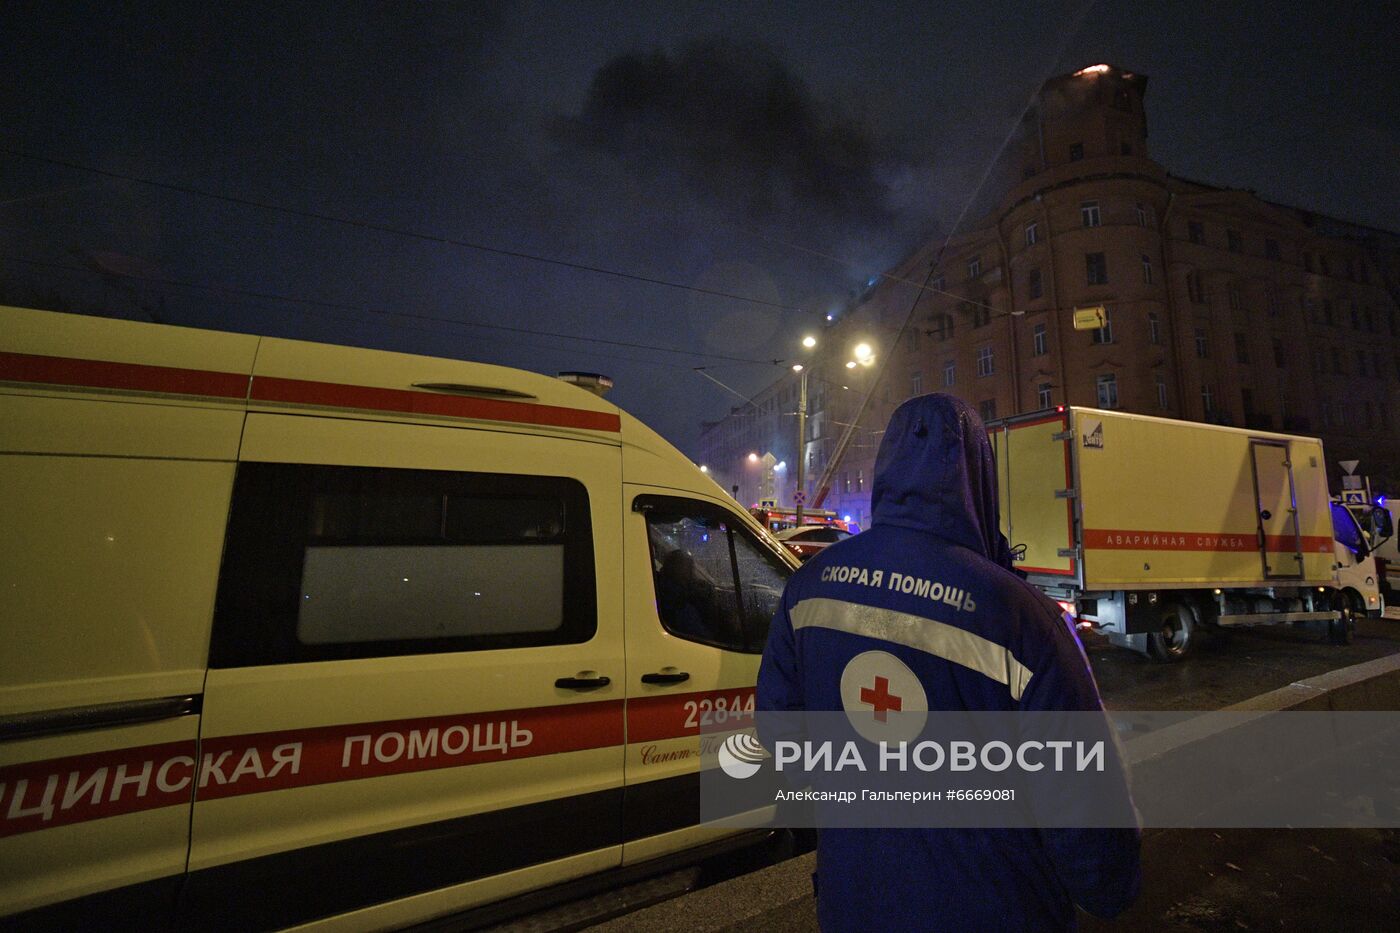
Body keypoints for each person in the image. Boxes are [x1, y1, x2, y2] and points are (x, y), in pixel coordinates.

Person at [757, 394, 1140, 931]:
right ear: (979, 478)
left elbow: (782, 734)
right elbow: (1083, 809)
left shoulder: (808, 588)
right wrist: (1109, 887)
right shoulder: (1023, 618)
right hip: (994, 910)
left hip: (855, 901)